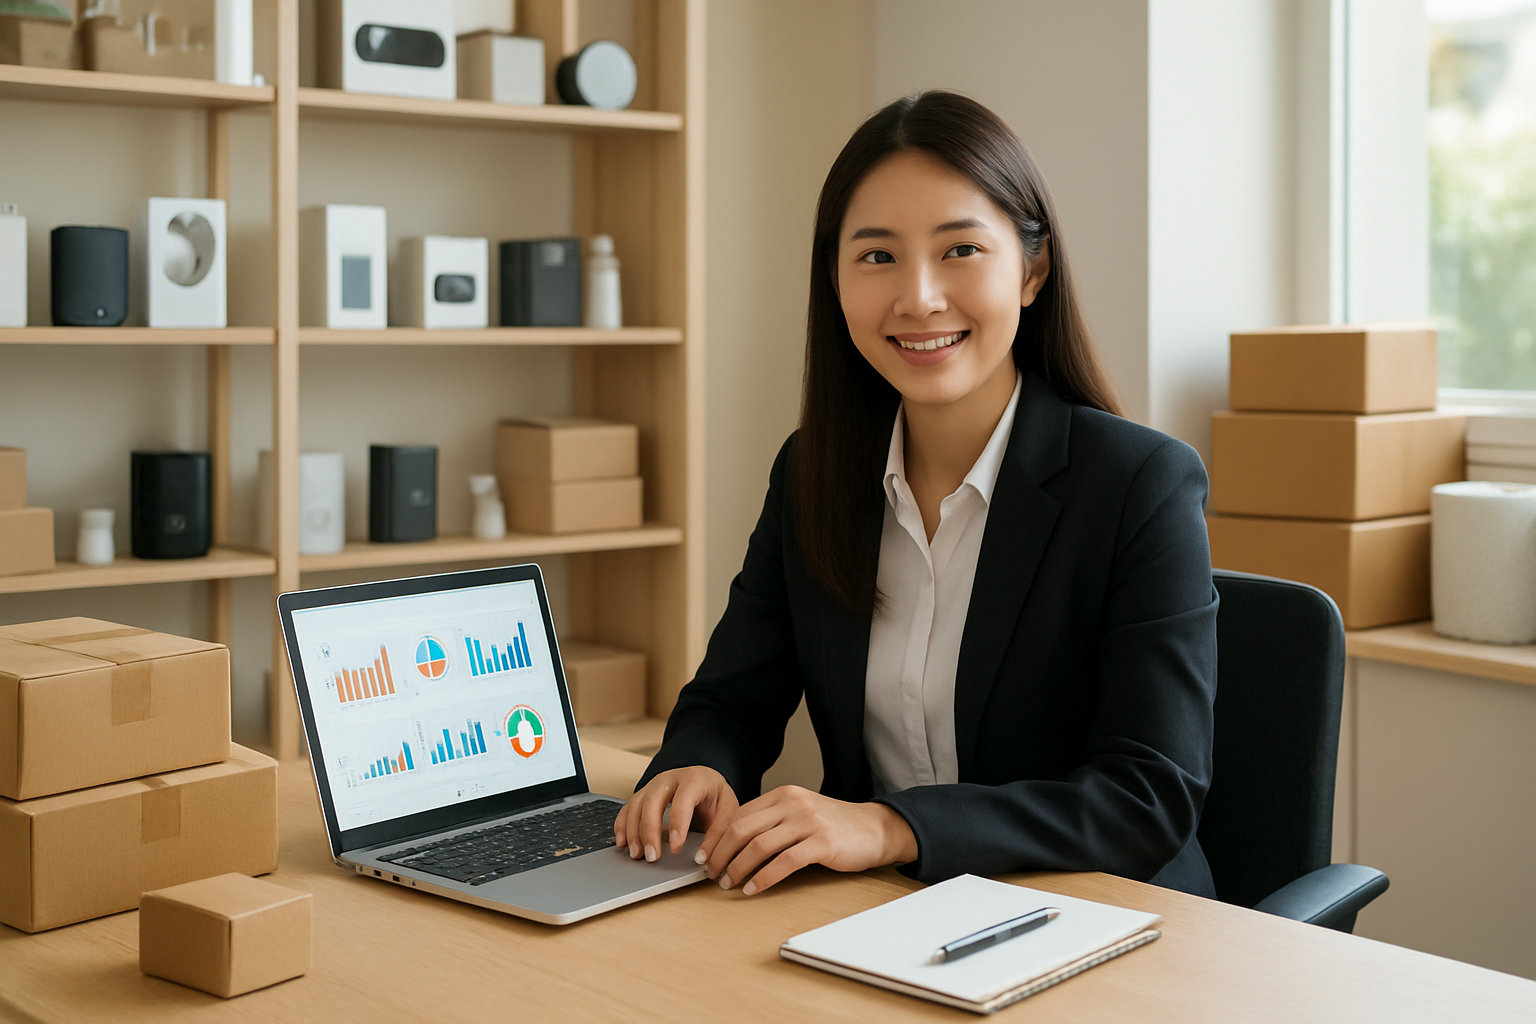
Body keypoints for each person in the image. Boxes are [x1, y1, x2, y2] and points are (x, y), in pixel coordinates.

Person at [612, 90, 1219, 898]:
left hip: (1102, 914)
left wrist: (891, 825)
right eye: (877, 256)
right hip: (891, 914)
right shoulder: (813, 474)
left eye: (960, 250)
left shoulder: (1140, 485)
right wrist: (697, 763)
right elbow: (730, 697)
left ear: (1033, 270)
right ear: (835, 280)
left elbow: (1147, 797)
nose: (919, 297)